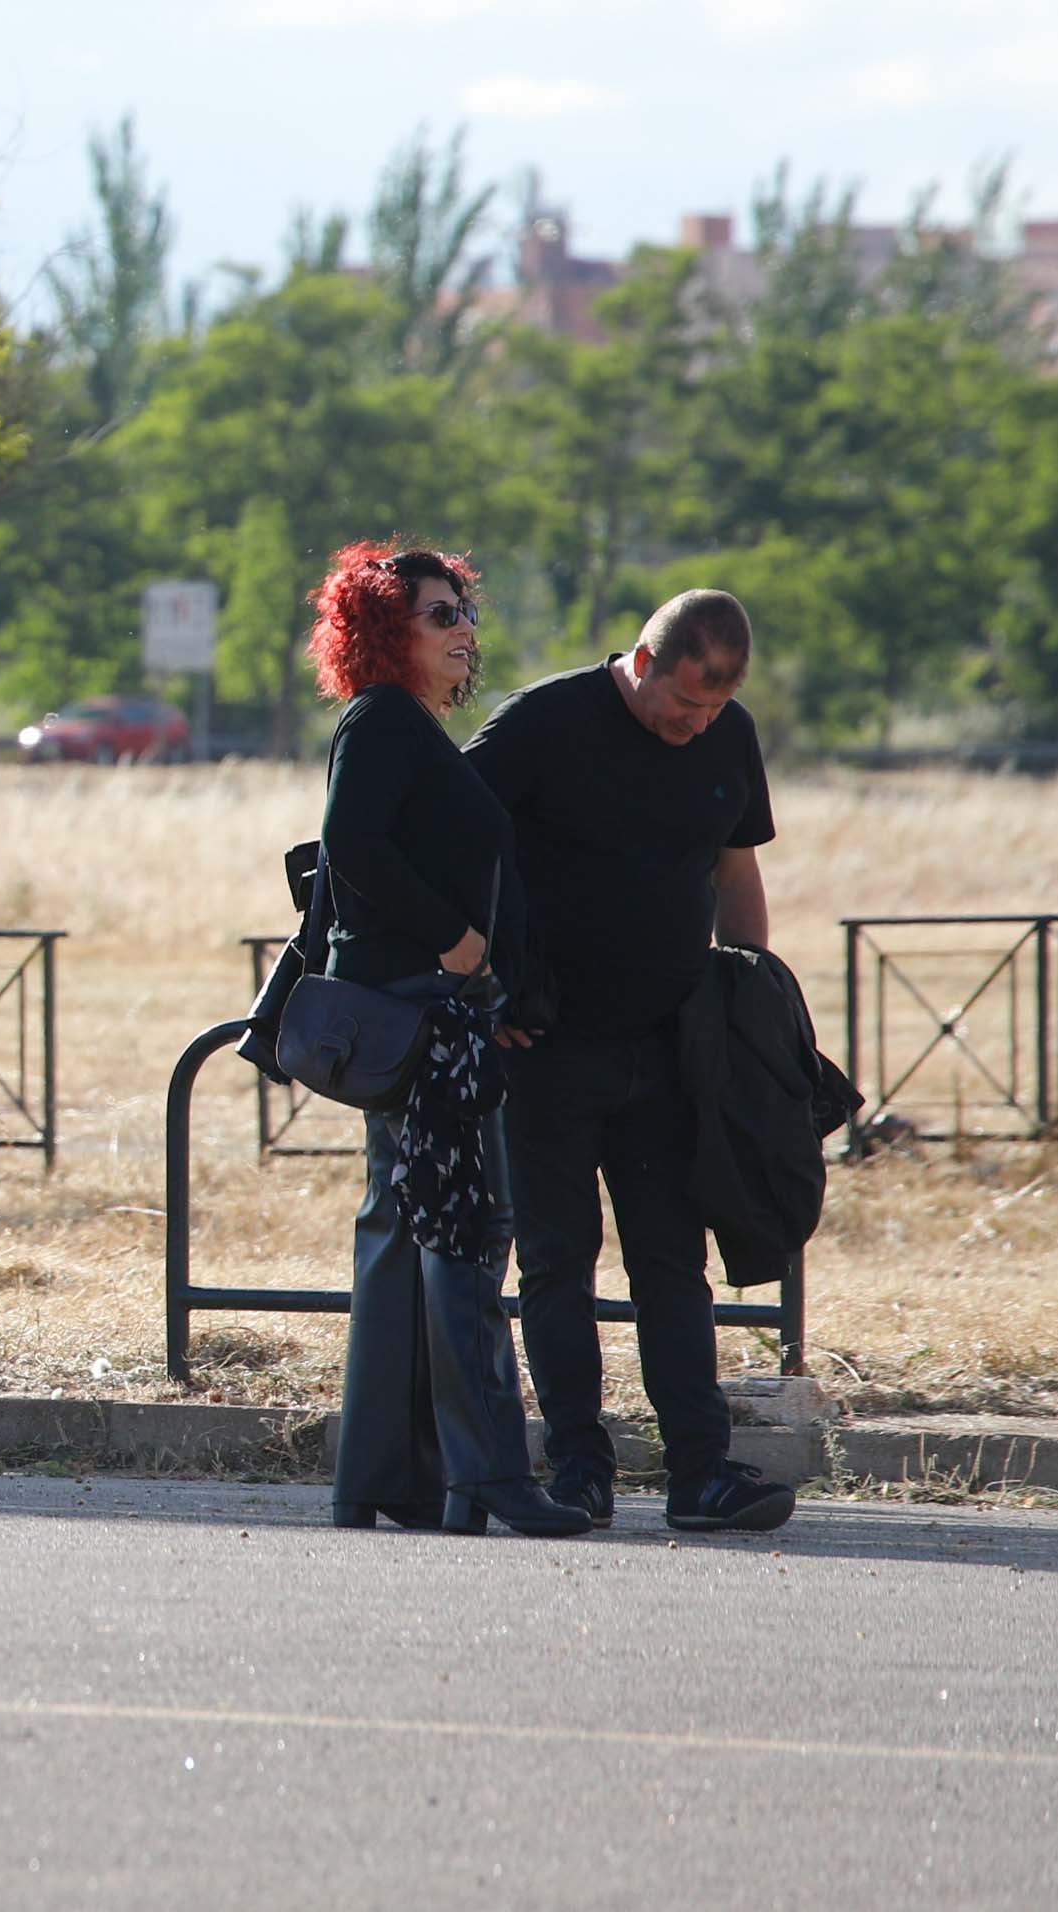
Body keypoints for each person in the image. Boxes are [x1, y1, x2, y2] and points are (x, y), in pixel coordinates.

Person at [465, 590, 798, 1534]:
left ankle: (700, 1474)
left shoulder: (728, 736)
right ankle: (577, 1469)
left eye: (713, 710)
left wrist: (749, 998)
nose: (696, 726)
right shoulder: (541, 722)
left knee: (671, 1266)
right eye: (683, 704)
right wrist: (486, 983)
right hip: (544, 1047)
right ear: (642, 663)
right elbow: (449, 835)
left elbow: (735, 867)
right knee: (557, 1266)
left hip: (668, 1048)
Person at [310, 544, 588, 1538]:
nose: (461, 628)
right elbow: (351, 842)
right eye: (437, 615)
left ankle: (386, 1482)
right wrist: (454, 937)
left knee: (400, 1236)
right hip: (421, 1004)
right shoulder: (384, 718)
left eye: (462, 611)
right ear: (386, 631)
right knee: (464, 1232)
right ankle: (491, 1479)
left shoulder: (407, 727)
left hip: (428, 1004)